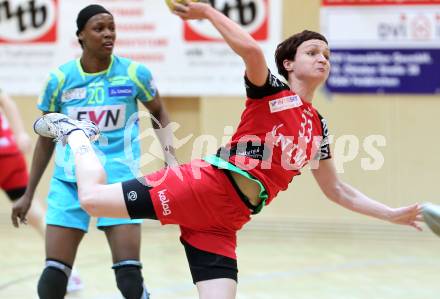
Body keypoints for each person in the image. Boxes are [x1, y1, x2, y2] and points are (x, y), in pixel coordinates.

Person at [27, 1, 422, 299]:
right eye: (313, 52)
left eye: (327, 55)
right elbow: (251, 50)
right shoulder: (273, 92)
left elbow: (338, 190)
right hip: (202, 185)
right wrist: (207, 12)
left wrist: (391, 214)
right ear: (289, 63)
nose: (323, 58)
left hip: (225, 222)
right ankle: (76, 134)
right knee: (92, 200)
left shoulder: (318, 127)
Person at [11, 4, 174, 299]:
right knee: (53, 277)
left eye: (112, 28)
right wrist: (29, 192)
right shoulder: (59, 80)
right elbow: (46, 137)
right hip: (69, 181)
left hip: (120, 182)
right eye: (99, 29)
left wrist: (171, 162)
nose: (108, 34)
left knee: (129, 278)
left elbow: (159, 111)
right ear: (81, 36)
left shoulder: (135, 74)